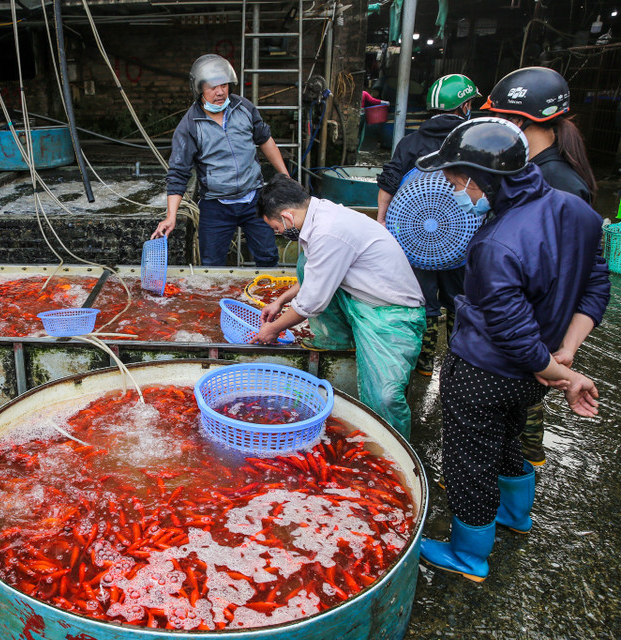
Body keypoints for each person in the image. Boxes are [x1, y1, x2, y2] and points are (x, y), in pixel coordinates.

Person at [414, 118, 609, 582]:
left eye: (455, 180)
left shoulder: (494, 243)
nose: (453, 189)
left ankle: (469, 553)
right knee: (507, 443)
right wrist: (564, 355)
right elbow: (595, 282)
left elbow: (512, 331)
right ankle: (516, 516)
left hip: (485, 371)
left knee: (468, 462)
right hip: (533, 374)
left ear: (480, 179)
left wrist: (561, 373)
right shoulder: (575, 209)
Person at [481, 66, 598, 466]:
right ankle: (514, 493)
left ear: (517, 121)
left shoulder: (558, 186)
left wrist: (562, 352)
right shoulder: (527, 172)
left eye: (496, 118)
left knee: (514, 435)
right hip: (531, 346)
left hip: (527, 345)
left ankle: (512, 486)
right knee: (511, 432)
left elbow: (589, 277)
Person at [252, 174, 426, 438]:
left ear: (287, 217)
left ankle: (394, 450)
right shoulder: (319, 214)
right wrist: (280, 300)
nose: (278, 233)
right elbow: (318, 273)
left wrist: (273, 329)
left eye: (276, 227)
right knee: (303, 264)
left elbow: (312, 301)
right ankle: (338, 342)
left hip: (390, 312)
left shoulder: (328, 231)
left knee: (384, 398)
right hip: (360, 297)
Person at [376, 74, 482, 376]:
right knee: (460, 300)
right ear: (463, 107)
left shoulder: (412, 142)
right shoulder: (472, 140)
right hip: (463, 238)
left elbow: (389, 183)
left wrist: (383, 220)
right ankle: (460, 360)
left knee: (423, 300)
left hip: (414, 238)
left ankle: (423, 364)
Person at [152, 54, 289, 267]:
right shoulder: (189, 125)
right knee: (211, 265)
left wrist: (285, 176)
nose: (220, 92)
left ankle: (266, 298)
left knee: (268, 256)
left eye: (224, 85)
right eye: (212, 87)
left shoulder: (243, 107)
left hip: (253, 198)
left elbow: (265, 140)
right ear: (199, 90)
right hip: (216, 205)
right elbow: (178, 173)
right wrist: (171, 216)